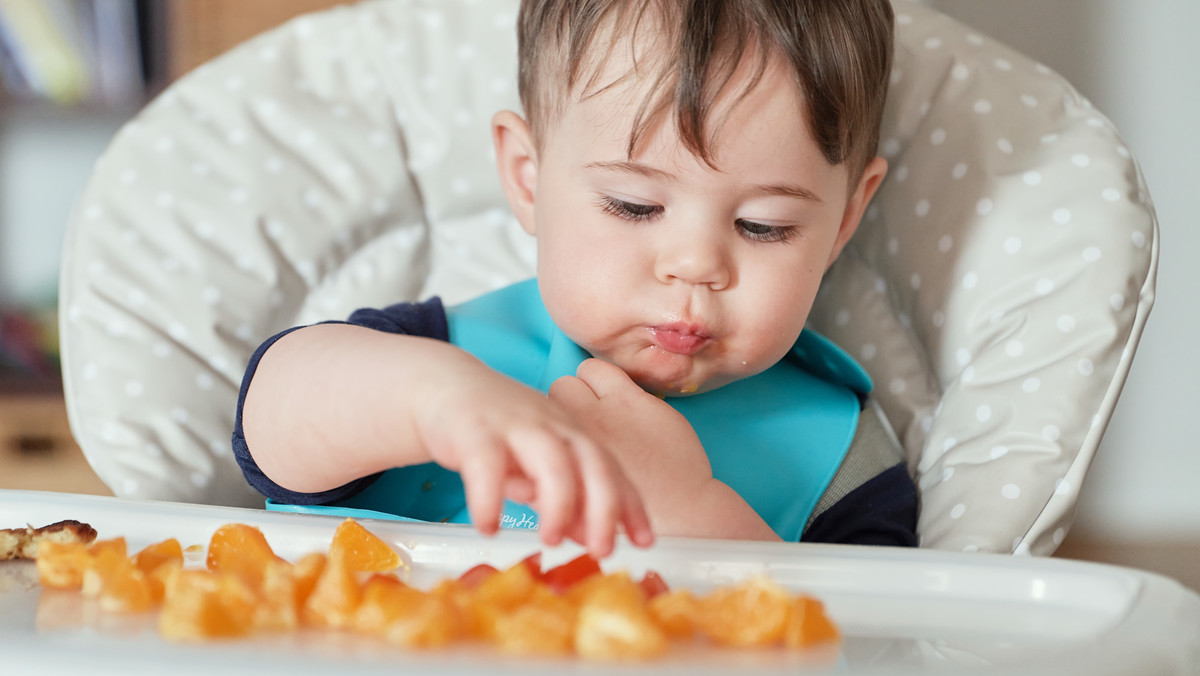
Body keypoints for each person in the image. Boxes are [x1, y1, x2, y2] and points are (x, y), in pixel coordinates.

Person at [234, 0, 917, 559]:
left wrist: (689, 512)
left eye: (764, 225)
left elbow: (877, 651)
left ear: (845, 219)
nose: (695, 265)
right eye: (634, 205)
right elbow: (269, 421)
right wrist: (433, 402)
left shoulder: (841, 456)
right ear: (529, 179)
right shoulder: (436, 351)